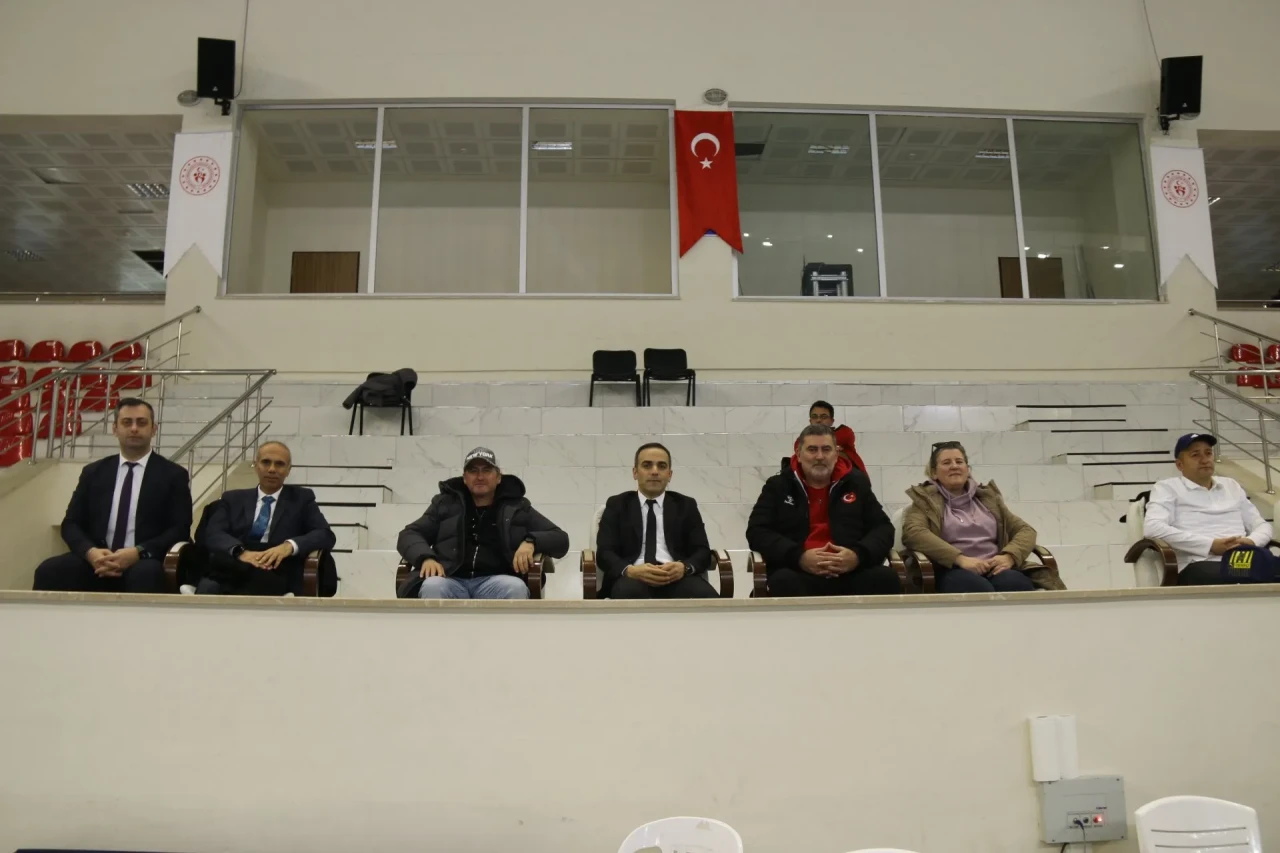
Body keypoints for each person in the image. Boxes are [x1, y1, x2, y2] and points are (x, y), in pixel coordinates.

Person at [33, 398, 192, 593]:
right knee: (49, 571)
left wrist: (138, 552)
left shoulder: (173, 475)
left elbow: (179, 529)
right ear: (115, 429)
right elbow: (71, 524)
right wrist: (90, 553)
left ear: (154, 429)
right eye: (127, 422)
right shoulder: (93, 472)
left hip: (143, 560)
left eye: (142, 423)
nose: (134, 428)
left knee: (147, 574)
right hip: (97, 559)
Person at [747, 424, 900, 596]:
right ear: (798, 454)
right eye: (812, 449)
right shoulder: (778, 486)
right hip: (797, 571)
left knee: (886, 579)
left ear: (836, 454)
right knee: (782, 582)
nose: (820, 456)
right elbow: (757, 531)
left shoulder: (856, 483)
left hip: (851, 572)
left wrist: (857, 556)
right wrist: (799, 557)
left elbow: (883, 529)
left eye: (826, 449)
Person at [397, 446, 569, 599]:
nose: (480, 476)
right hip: (449, 578)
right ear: (465, 478)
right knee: (432, 586)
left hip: (496, 581)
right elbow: (409, 534)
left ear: (498, 477)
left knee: (515, 587)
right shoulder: (445, 504)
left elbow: (560, 538)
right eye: (473, 471)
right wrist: (426, 558)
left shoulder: (517, 507)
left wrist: (531, 542)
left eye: (486, 470)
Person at [902, 441, 1063, 593]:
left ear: (967, 469)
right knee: (976, 587)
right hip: (952, 569)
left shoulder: (989, 498)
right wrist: (960, 559)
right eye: (946, 463)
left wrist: (1009, 556)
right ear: (933, 473)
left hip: (995, 566)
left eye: (959, 462)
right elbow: (914, 533)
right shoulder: (924, 501)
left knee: (1016, 583)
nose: (954, 466)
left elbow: (1026, 530)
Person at [194, 440, 336, 596]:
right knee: (210, 582)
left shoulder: (302, 499)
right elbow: (214, 533)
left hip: (277, 565)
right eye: (266, 462)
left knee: (238, 582)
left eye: (280, 464)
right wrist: (241, 553)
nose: (272, 469)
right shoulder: (232, 498)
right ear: (256, 465)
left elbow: (325, 534)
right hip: (237, 561)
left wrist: (288, 546)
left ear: (288, 470)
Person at [1143, 433, 1274, 585]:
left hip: (1243, 559)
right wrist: (1210, 545)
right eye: (1195, 455)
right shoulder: (1167, 488)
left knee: (1259, 571)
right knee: (1242, 575)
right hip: (1199, 562)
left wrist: (1251, 541)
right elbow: (1153, 528)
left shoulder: (1231, 485)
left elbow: (1262, 525)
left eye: (1208, 453)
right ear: (1180, 465)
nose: (1205, 460)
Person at [595, 442, 718, 599]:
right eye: (647, 465)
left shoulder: (686, 505)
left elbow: (702, 552)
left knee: (706, 596)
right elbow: (605, 553)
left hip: (678, 578)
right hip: (633, 578)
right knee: (628, 593)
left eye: (661, 466)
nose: (654, 471)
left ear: (669, 475)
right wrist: (630, 570)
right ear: (635, 473)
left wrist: (684, 567)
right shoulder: (617, 505)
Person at [793, 400, 866, 473]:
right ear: (810, 421)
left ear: (832, 421)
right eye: (814, 417)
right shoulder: (801, 440)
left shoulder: (844, 433)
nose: (818, 420)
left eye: (824, 417)